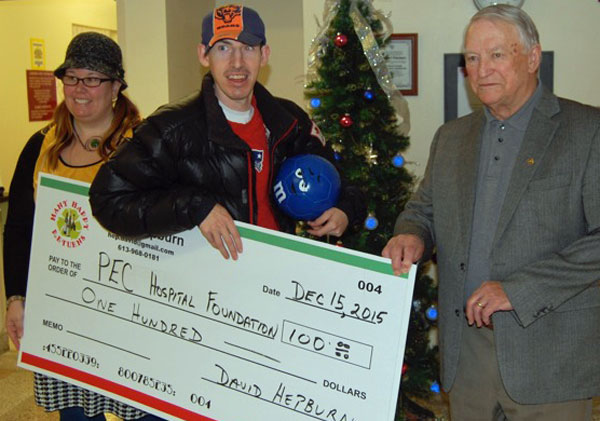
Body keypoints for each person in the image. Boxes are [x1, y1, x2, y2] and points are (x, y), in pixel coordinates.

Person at [382, 5, 600, 421]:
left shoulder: (587, 131)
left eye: (497, 54)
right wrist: (412, 233)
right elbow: (423, 209)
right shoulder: (450, 138)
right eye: (472, 58)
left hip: (550, 354)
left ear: (533, 57)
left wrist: (517, 290)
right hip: (467, 357)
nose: (482, 70)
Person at [89, 4, 365, 257]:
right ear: (203, 55)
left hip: (276, 279)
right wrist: (194, 206)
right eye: (223, 48)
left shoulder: (289, 121)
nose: (237, 63)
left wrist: (344, 210)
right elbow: (107, 201)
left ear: (264, 55)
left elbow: (344, 182)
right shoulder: (170, 129)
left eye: (248, 48)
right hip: (210, 294)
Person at [3, 32, 163, 421]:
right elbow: (20, 228)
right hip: (64, 310)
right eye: (72, 77)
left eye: (92, 78)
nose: (79, 88)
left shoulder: (144, 145)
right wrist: (16, 297)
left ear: (115, 88)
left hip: (130, 310)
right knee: (75, 414)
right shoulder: (40, 146)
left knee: (144, 411)